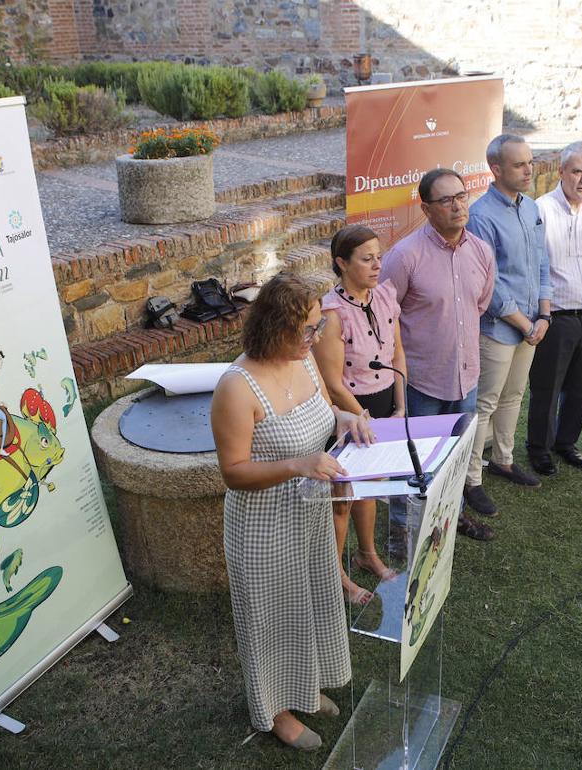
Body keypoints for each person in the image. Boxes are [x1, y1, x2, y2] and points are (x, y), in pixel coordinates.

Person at [210, 273, 374, 750]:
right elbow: (234, 472)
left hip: (309, 514)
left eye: (318, 325)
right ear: (273, 329)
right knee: (271, 616)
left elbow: (325, 415)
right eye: (306, 329)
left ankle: (304, 685)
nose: (315, 338)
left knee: (311, 603)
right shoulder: (236, 388)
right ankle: (276, 711)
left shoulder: (303, 363)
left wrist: (347, 419)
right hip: (262, 524)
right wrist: (298, 464)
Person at [381, 167, 497, 541]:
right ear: (426, 207)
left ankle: (452, 519)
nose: (457, 206)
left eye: (461, 196)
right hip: (421, 382)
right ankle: (403, 531)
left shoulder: (480, 251)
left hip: (466, 378)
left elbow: (479, 304)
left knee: (454, 458)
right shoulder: (404, 256)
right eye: (446, 200)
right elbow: (386, 316)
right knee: (412, 461)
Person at [463, 134, 552, 518]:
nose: (529, 169)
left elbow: (542, 264)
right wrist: (523, 322)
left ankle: (503, 459)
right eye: (520, 164)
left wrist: (545, 315)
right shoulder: (480, 215)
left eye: (530, 162)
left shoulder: (531, 207)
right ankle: (471, 482)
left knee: (514, 397)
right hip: (500, 327)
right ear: (495, 169)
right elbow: (490, 281)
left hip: (532, 323)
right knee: (484, 403)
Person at [313, 225, 402, 602]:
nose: (377, 265)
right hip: (349, 412)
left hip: (384, 405)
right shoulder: (331, 313)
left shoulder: (385, 295)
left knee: (371, 487)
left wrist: (401, 406)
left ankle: (367, 554)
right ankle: (337, 575)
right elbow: (332, 382)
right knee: (343, 499)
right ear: (341, 263)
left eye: (379, 257)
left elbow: (398, 353)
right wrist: (361, 417)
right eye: (366, 259)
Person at [525, 141, 582, 476]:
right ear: (561, 171)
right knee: (547, 387)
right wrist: (542, 313)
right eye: (577, 171)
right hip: (556, 316)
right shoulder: (542, 210)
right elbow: (534, 267)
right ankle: (539, 447)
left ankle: (566, 442)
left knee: (581, 384)